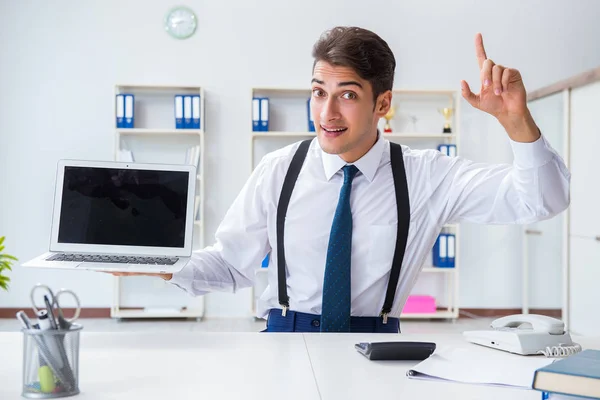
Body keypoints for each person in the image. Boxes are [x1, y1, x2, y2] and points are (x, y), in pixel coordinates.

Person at [114, 26, 570, 333]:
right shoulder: (279, 170)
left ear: (383, 103)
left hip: (379, 347)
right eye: (318, 93)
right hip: (284, 339)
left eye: (347, 95)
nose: (327, 113)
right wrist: (157, 263)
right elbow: (232, 265)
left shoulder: (427, 175)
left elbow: (541, 201)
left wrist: (517, 123)